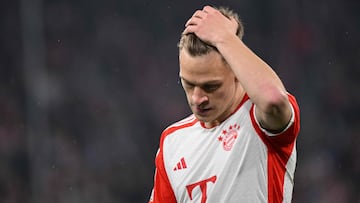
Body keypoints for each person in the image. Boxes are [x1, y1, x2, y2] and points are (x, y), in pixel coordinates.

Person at [149, 5, 300, 203]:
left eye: (210, 86)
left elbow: (273, 98)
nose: (197, 98)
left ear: (237, 74)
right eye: (188, 84)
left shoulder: (259, 119)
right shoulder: (173, 142)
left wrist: (225, 38)